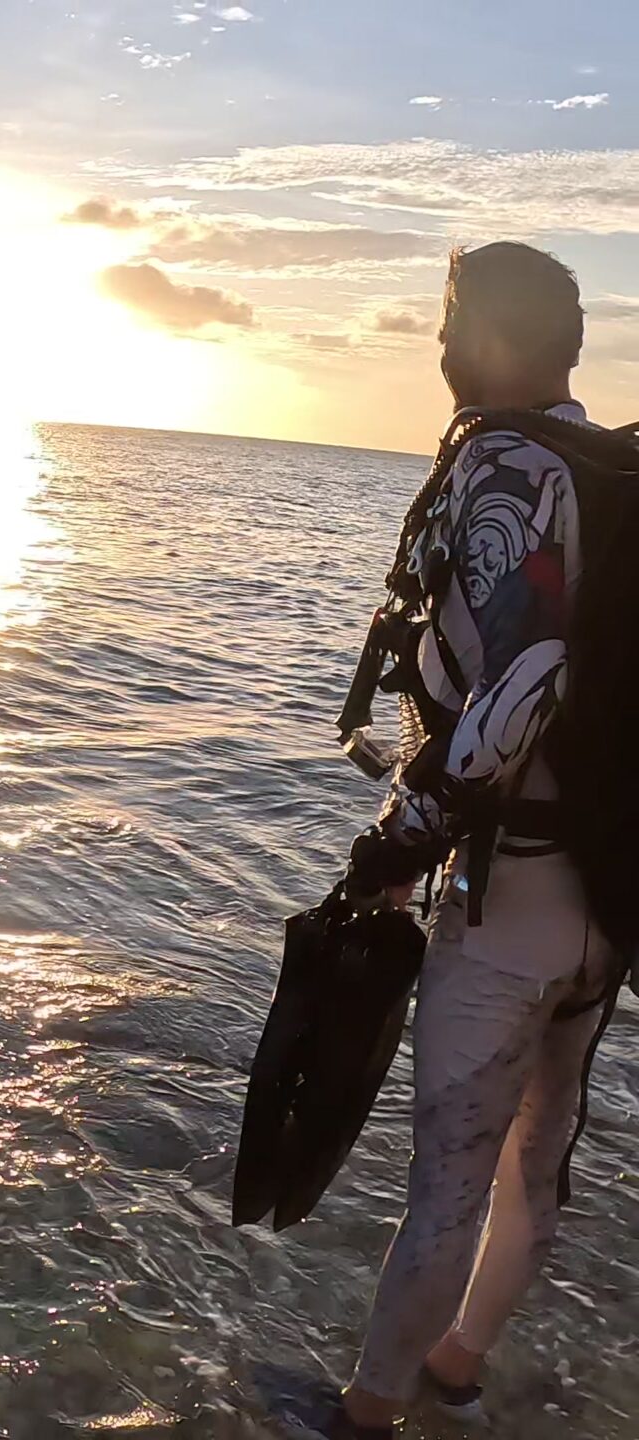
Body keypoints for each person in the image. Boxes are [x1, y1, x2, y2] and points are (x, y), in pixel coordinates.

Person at [313, 243, 628, 1438]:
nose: (439, 345)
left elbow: (528, 675)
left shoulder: (500, 463)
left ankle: (366, 1416)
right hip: (607, 887)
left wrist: (399, 843)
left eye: (451, 322)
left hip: (512, 902)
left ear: (487, 339)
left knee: (447, 1183)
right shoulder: (609, 469)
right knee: (536, 1161)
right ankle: (457, 1368)